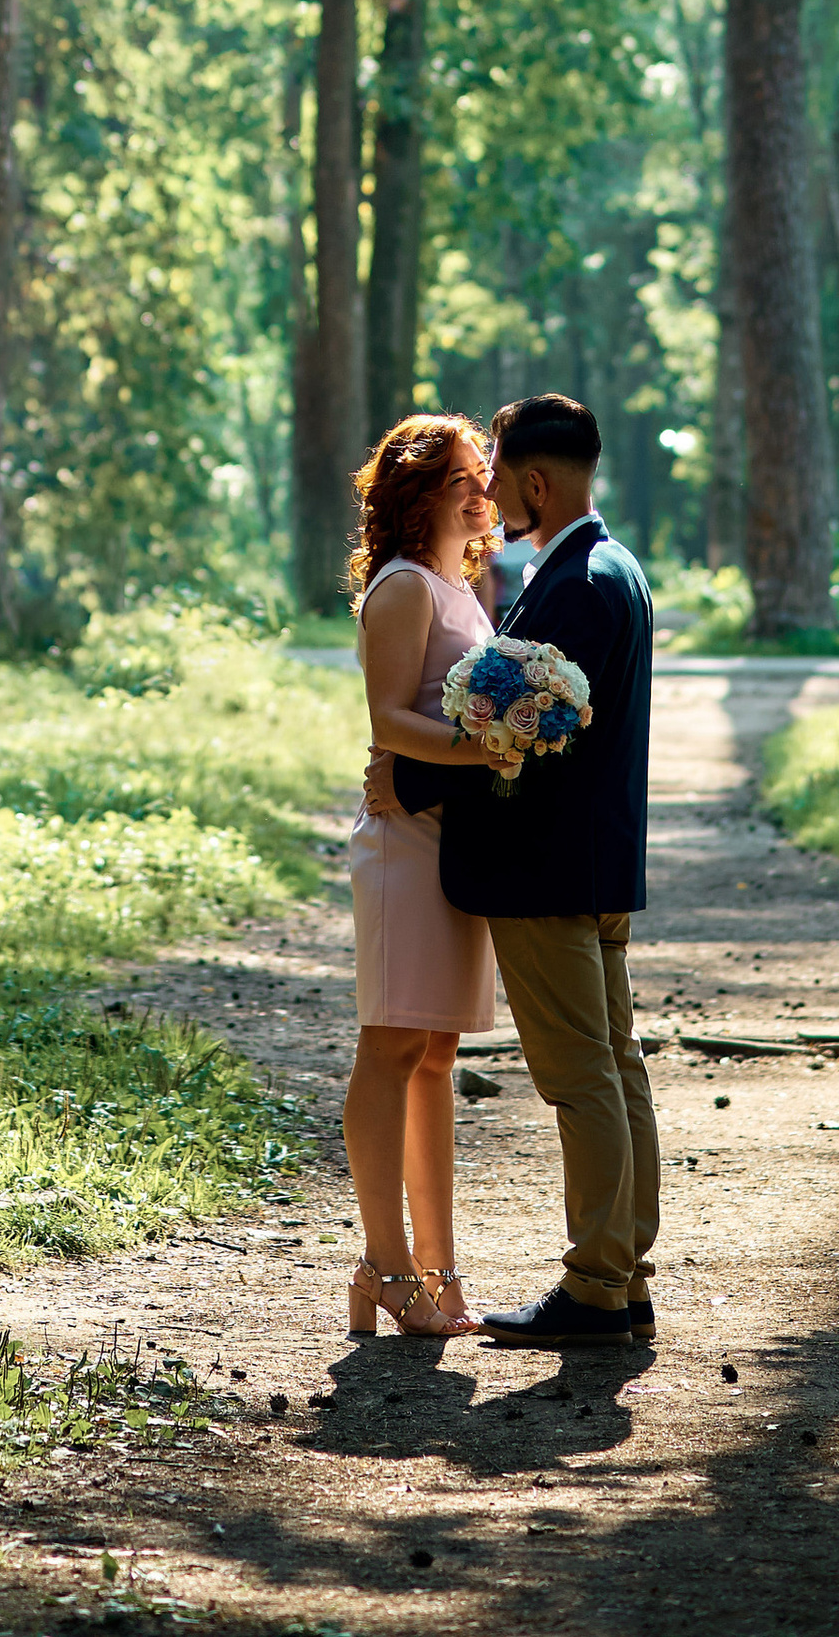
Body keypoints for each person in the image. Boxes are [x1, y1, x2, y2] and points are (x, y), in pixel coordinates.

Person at [366, 389, 659, 1350]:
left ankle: (598, 1286)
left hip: (550, 870)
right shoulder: (609, 567)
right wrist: (409, 756)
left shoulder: (575, 583)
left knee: (584, 1078)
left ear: (536, 482)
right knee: (613, 1068)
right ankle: (623, 1271)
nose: (490, 498)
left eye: (496, 480)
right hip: (590, 864)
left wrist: (405, 767)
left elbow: (530, 736)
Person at [339, 413, 501, 1336]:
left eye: (483, 475)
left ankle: (440, 1271)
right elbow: (390, 725)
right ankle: (384, 1267)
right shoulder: (404, 590)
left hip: (450, 837)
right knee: (391, 1046)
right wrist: (500, 752)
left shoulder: (460, 587)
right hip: (404, 843)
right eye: (463, 480)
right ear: (418, 495)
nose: (483, 492)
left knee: (436, 1055)